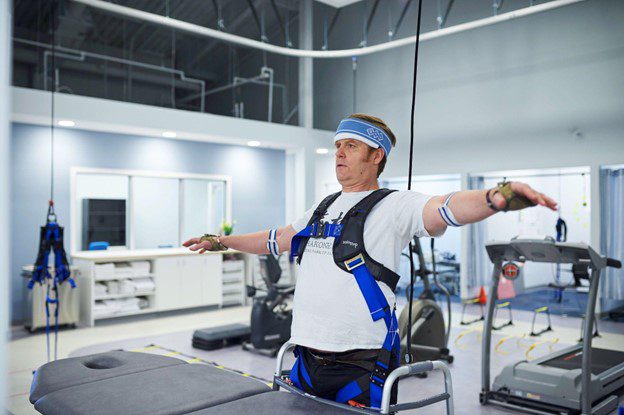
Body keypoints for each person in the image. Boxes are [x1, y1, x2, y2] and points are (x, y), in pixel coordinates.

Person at [183, 113, 557, 408]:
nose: (339, 153)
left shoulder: (396, 205)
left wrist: (497, 196)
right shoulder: (323, 205)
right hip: (305, 358)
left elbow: (444, 208)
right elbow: (276, 239)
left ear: (376, 155)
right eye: (337, 146)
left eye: (351, 146)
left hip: (362, 365)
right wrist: (221, 241)